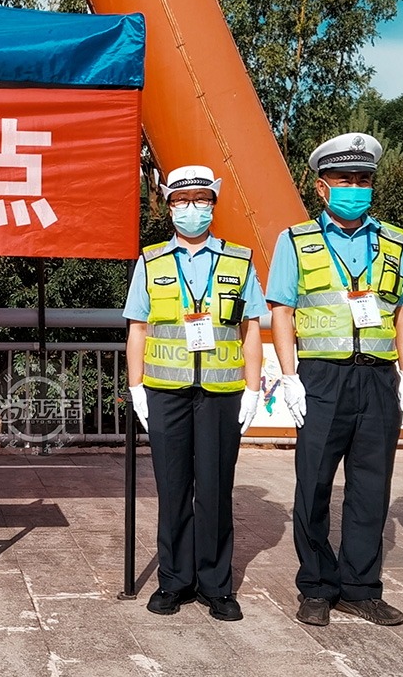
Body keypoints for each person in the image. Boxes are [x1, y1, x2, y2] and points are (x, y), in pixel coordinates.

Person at [266, 133, 403, 627]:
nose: (354, 187)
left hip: (377, 380)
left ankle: (361, 586)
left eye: (363, 179)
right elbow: (281, 312)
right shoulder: (296, 240)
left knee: (371, 487)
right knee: (312, 484)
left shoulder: (395, 241)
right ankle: (315, 584)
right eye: (344, 179)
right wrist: (289, 376)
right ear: (321, 187)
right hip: (321, 377)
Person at [124, 165, 268, 620]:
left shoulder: (239, 261)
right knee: (172, 488)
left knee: (215, 488)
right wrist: (136, 388)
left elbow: (250, 331)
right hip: (165, 391)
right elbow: (138, 329)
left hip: (222, 393)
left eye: (201, 199)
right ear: (168, 206)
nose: (192, 208)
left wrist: (252, 388)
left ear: (214, 204)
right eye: (182, 200)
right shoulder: (151, 261)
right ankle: (174, 581)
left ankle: (216, 584)